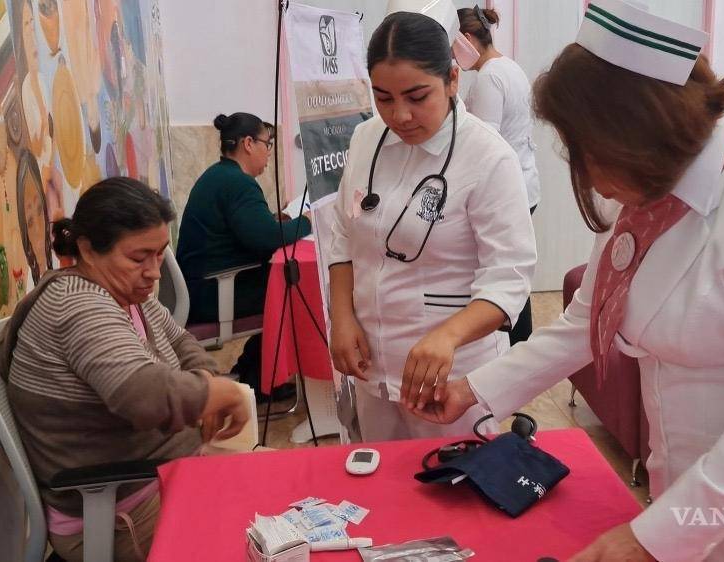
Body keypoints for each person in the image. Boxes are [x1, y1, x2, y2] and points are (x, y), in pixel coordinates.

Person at [410, 1, 724, 560]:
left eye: (592, 151)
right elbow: (587, 321)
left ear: (643, 129)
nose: (590, 174)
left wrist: (649, 539)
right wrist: (474, 392)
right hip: (698, 498)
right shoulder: (650, 192)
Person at [0, 177, 250, 561]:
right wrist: (223, 393)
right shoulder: (79, 306)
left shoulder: (128, 294)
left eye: (160, 254)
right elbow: (145, 396)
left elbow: (179, 340)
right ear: (87, 249)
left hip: (158, 475)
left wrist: (208, 379)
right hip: (117, 508)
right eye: (138, 257)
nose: (154, 272)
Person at [328, 7, 536, 441]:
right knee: (382, 490)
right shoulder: (366, 139)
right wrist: (342, 317)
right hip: (373, 365)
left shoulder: (488, 157)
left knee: (455, 493)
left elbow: (509, 279)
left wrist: (449, 335)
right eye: (384, 98)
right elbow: (342, 237)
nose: (400, 115)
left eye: (417, 97)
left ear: (453, 79)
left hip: (454, 378)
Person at [176, 113, 311, 400]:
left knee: (286, 281)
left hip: (202, 288)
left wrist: (280, 220)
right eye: (267, 144)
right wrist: (308, 221)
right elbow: (265, 239)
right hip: (215, 295)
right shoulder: (238, 183)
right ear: (249, 143)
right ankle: (261, 381)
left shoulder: (220, 175)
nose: (268, 153)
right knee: (297, 288)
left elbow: (250, 229)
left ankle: (253, 375)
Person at [457, 5, 540, 346]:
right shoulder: (509, 67)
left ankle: (515, 346)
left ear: (467, 39)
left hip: (507, 189)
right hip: (524, 183)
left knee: (503, 275)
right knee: (514, 271)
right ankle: (520, 344)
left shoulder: (490, 76)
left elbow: (484, 144)